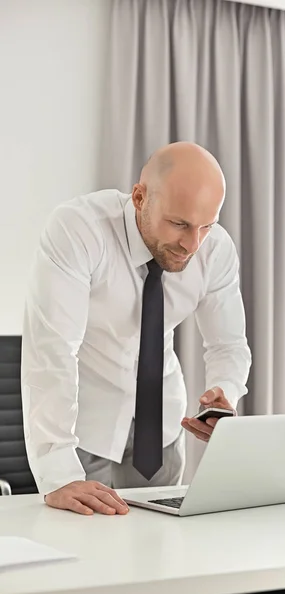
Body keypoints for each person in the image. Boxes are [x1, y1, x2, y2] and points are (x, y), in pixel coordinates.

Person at [21, 142, 251, 516]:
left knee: (160, 554)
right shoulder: (78, 230)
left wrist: (225, 394)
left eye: (206, 226)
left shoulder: (215, 250)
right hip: (83, 431)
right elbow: (52, 351)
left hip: (162, 432)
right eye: (179, 224)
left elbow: (228, 344)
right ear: (140, 198)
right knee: (89, 557)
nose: (192, 245)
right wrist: (57, 472)